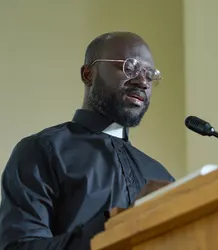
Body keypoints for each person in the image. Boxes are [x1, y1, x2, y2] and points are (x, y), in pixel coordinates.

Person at [0, 31, 175, 250]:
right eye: (129, 68)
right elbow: (20, 247)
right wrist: (116, 224)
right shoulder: (41, 151)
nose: (142, 81)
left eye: (149, 75)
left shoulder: (160, 175)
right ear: (88, 74)